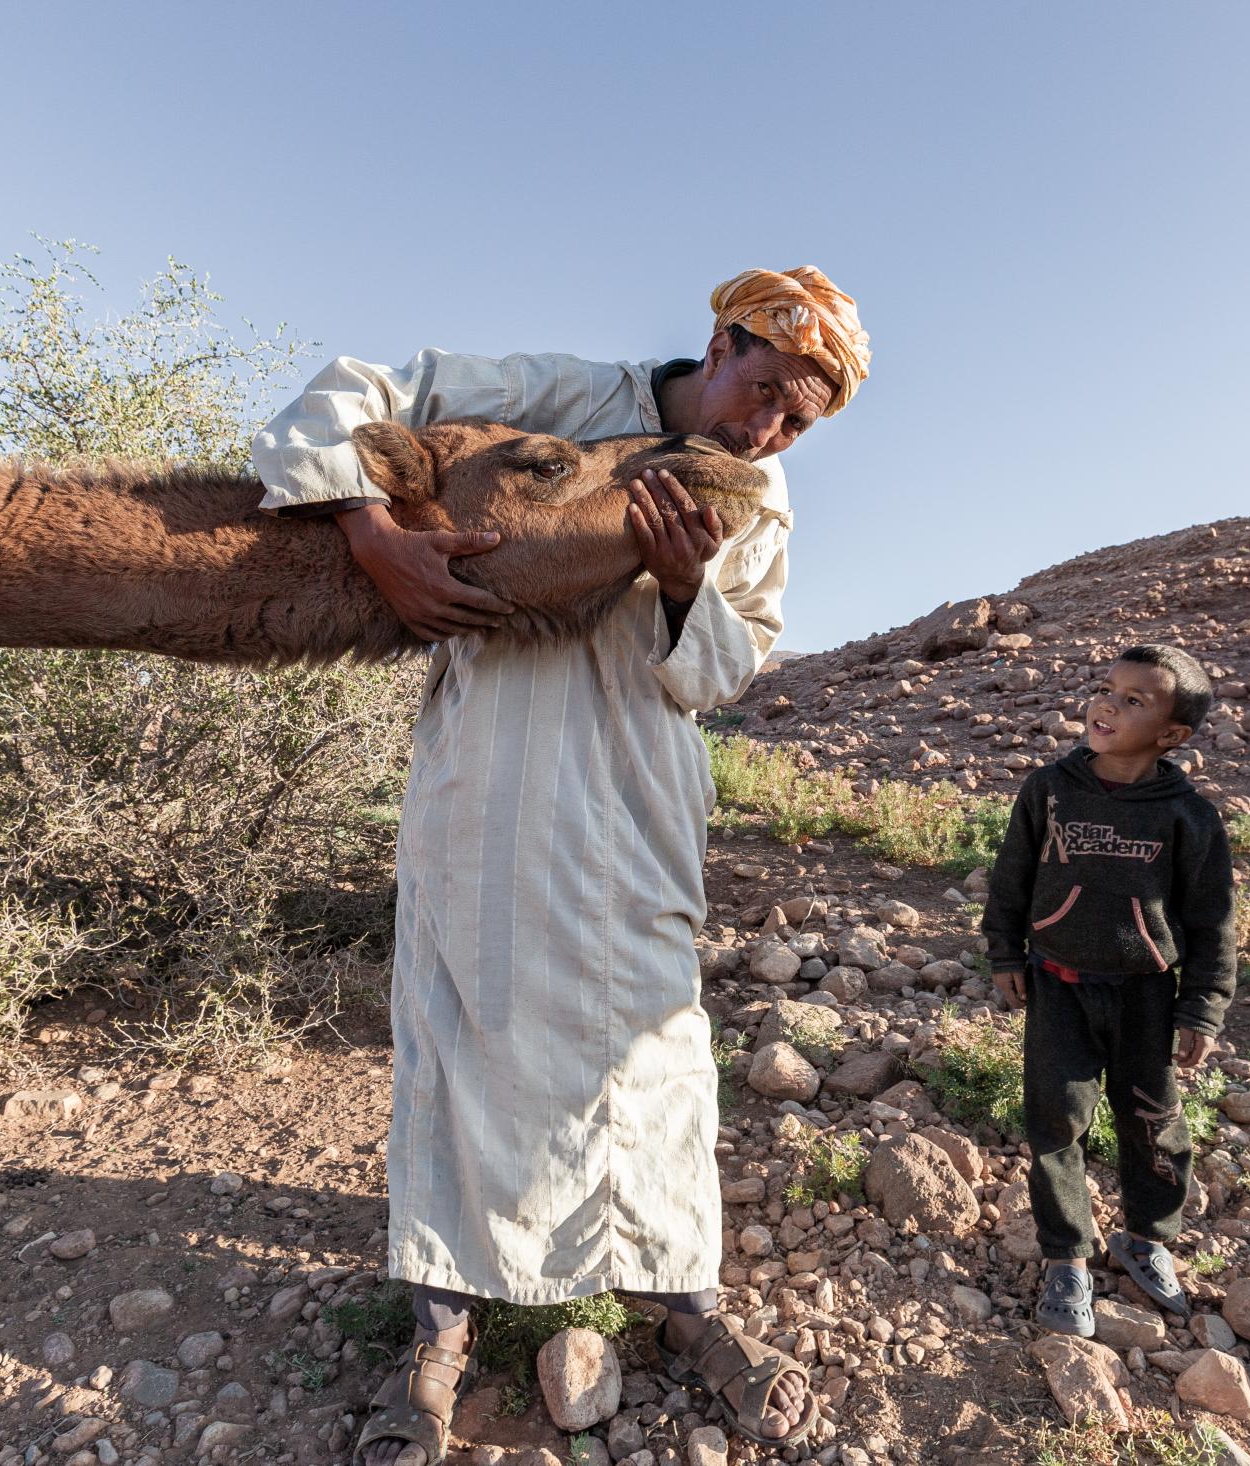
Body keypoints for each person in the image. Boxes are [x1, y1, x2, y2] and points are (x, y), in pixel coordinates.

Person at [250, 269, 870, 1465]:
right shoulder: (571, 400)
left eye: (797, 421)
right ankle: (437, 1333)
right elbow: (371, 391)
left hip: (636, 791)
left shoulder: (762, 496)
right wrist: (370, 534)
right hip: (491, 769)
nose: (765, 428)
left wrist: (691, 585)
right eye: (762, 390)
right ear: (720, 342)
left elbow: (730, 668)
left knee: (652, 1047)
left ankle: (686, 1306)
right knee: (460, 1023)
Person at [979, 644, 1236, 1337]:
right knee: (1055, 1120)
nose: (1107, 705)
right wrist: (1005, 950)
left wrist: (1203, 1009)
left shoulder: (1190, 818)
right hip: (1056, 983)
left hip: (1147, 994)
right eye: (1105, 688)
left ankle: (1147, 1237)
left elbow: (1212, 922)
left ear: (1172, 735)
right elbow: (1012, 878)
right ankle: (1067, 1255)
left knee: (1154, 1122)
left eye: (1133, 700)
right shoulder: (1050, 789)